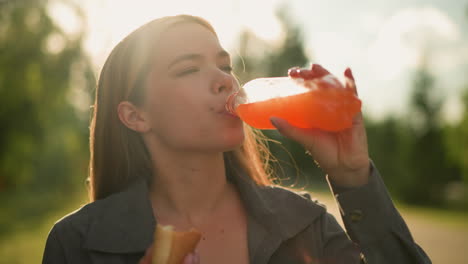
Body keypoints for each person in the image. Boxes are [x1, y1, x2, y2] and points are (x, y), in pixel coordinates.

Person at [42, 15, 432, 264]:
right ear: (135, 115)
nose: (225, 79)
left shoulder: (303, 224)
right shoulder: (77, 243)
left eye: (225, 66)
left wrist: (353, 177)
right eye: (188, 69)